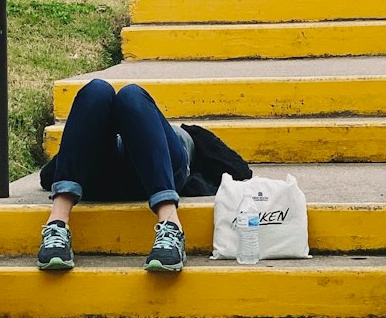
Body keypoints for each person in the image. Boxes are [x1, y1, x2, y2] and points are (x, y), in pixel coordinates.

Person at [37, 78, 250, 273]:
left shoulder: (180, 136)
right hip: (103, 176)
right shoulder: (184, 134)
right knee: (97, 89)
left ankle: (171, 226)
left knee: (131, 94)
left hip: (155, 176)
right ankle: (57, 225)